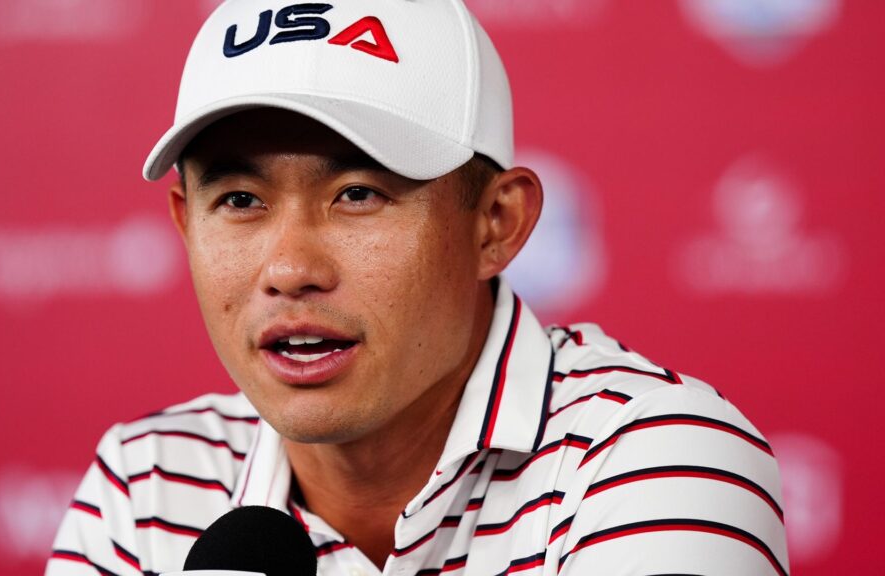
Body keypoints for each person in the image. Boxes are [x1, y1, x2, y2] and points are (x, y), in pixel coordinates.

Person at [47, 1, 789, 574]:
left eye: (358, 194)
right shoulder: (146, 483)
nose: (289, 269)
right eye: (240, 200)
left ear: (496, 224)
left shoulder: (657, 457)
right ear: (186, 224)